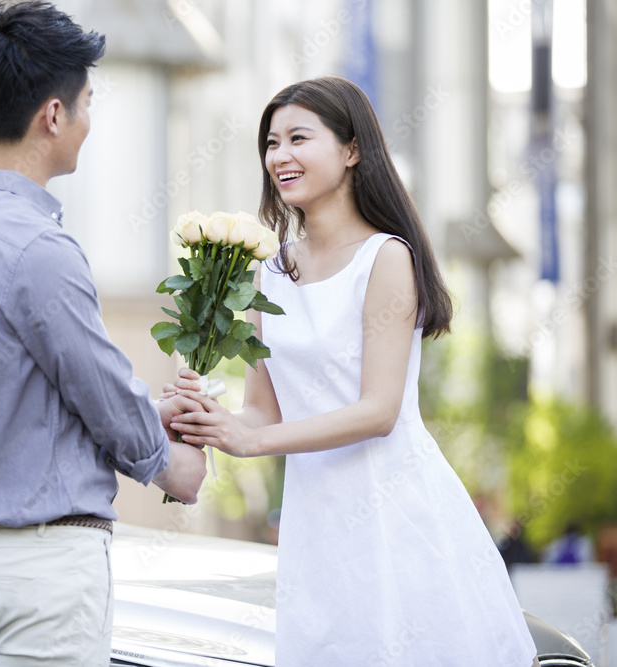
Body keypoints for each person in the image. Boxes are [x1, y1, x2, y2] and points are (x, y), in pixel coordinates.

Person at [167, 77, 539, 666]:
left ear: (352, 149)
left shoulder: (386, 258)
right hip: (315, 524)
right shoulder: (269, 272)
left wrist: (252, 439)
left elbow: (379, 411)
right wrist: (211, 418)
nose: (280, 156)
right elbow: (264, 410)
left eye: (298, 138)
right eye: (271, 143)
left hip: (394, 510)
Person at [0, 3, 207, 665]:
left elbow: (2, 403)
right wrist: (171, 461)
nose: (90, 122)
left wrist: (148, 414)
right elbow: (99, 389)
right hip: (42, 569)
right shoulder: (37, 245)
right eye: (87, 103)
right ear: (53, 114)